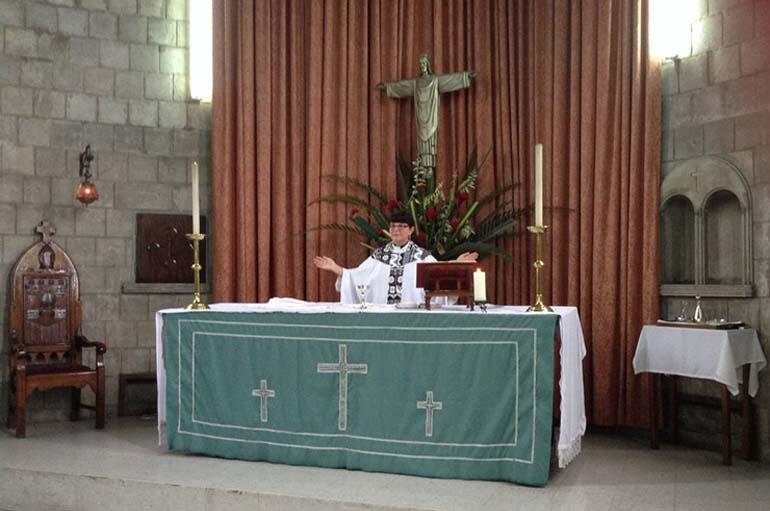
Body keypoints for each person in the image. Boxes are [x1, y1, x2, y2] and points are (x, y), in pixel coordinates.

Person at [314, 211, 477, 305]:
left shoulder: (420, 256)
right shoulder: (379, 255)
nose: (396, 230)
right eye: (392, 226)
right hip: (382, 319)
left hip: (414, 319)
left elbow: (437, 274)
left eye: (401, 226)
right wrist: (336, 269)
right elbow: (358, 276)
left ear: (411, 230)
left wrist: (456, 264)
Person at [378, 54, 476, 170]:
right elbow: (402, 86)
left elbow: (450, 79)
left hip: (431, 117)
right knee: (422, 144)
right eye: (420, 64)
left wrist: (465, 77)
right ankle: (424, 168)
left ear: (428, 65)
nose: (422, 66)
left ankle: (430, 168)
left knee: (430, 143)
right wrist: (388, 87)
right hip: (420, 117)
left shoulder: (435, 81)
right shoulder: (416, 83)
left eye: (424, 63)